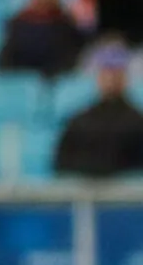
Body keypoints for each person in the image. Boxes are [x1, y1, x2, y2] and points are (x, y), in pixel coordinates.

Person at [54, 43, 143, 177]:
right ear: (99, 78)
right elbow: (62, 162)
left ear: (125, 79)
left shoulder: (137, 122)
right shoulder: (80, 120)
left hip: (126, 193)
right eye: (106, 73)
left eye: (116, 73)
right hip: (84, 190)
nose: (111, 79)